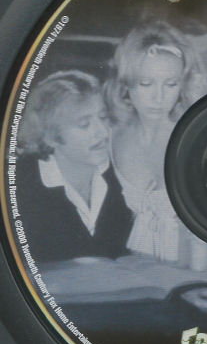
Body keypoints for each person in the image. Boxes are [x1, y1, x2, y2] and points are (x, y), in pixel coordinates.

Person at [105, 20, 207, 267]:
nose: (159, 97)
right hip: (135, 271)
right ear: (125, 82)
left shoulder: (199, 140)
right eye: (146, 84)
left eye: (171, 84)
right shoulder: (110, 137)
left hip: (195, 268)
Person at [16, 70, 133, 263]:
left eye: (103, 117)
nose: (103, 132)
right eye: (84, 124)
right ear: (50, 136)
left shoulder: (122, 173)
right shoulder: (21, 188)